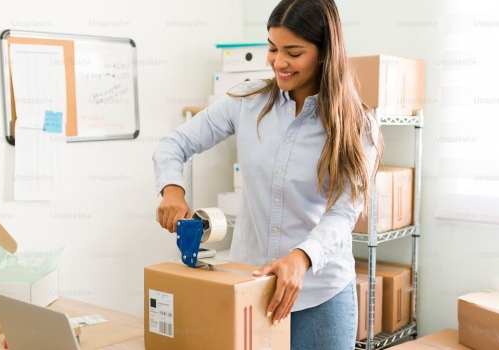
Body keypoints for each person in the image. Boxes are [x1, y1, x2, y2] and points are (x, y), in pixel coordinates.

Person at [153, 0, 383, 348]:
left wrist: (301, 257)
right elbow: (175, 143)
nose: (278, 62)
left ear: (325, 53)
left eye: (293, 51)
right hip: (251, 286)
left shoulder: (357, 125)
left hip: (320, 296)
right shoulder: (247, 102)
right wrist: (172, 189)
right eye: (272, 48)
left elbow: (343, 213)